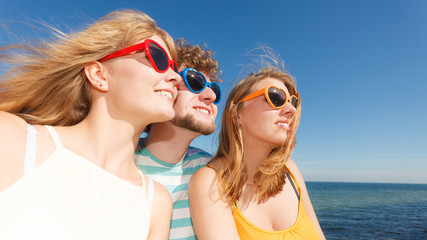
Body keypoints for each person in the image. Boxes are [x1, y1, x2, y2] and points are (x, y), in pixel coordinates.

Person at [0, 9, 181, 240]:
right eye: (157, 57)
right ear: (99, 75)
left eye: (174, 68)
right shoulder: (15, 141)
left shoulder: (156, 202)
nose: (175, 77)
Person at [189, 63, 326, 239]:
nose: (291, 110)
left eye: (293, 102)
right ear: (237, 114)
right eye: (275, 97)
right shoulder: (210, 182)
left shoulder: (290, 170)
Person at [135, 39, 222, 240]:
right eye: (195, 81)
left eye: (215, 90)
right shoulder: (120, 163)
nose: (210, 95)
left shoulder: (212, 169)